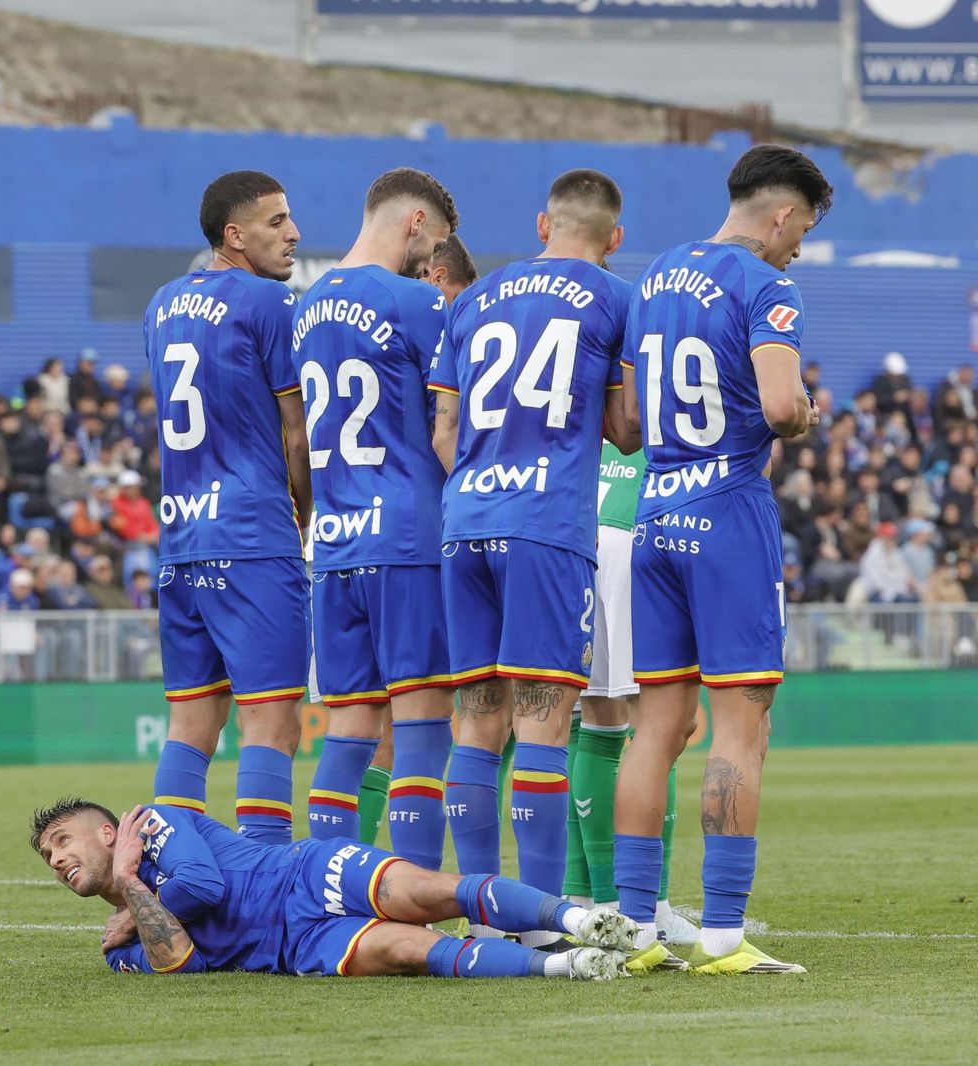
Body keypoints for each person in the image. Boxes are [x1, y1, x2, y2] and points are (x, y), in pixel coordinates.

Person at [612, 144, 831, 975]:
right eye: (801, 229)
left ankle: (635, 933)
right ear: (780, 215)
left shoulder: (658, 276)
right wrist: (804, 412)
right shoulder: (767, 285)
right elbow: (779, 406)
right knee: (743, 726)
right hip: (726, 512)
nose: (799, 247)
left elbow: (627, 427)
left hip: (653, 513)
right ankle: (724, 937)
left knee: (655, 728)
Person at [429, 170, 637, 943]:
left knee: (476, 724)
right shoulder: (618, 298)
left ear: (542, 223)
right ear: (613, 239)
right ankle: (546, 922)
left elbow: (443, 431)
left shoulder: (472, 301)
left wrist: (483, 489)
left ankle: (482, 917)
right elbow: (627, 429)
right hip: (546, 527)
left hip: (465, 522)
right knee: (546, 722)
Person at [292, 168, 457, 872]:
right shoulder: (419, 302)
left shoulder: (302, 308)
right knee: (422, 727)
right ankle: (413, 904)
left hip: (333, 545)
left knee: (349, 728)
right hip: (407, 535)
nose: (434, 261)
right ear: (415, 220)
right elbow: (451, 418)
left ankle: (330, 898)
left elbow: (293, 433)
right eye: (436, 242)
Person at [145, 170, 314, 844]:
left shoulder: (161, 304)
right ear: (235, 235)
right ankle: (265, 886)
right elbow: (295, 431)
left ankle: (170, 876)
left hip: (182, 537)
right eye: (277, 221)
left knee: (192, 725)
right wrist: (308, 515)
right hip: (251, 535)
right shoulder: (269, 304)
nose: (294, 233)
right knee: (271, 722)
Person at [30, 798, 635, 981]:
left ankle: (579, 920)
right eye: (47, 856)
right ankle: (572, 966)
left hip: (303, 873)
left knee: (427, 895)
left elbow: (203, 886)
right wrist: (132, 886)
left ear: (109, 833)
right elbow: (180, 965)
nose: (57, 858)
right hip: (298, 949)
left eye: (62, 840)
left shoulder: (153, 821)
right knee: (409, 952)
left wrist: (138, 907)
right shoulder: (115, 949)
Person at [561, 440, 700, 948]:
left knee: (584, 713)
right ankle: (642, 904)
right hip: (633, 519)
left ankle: (583, 896)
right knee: (657, 721)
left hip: (577, 518)